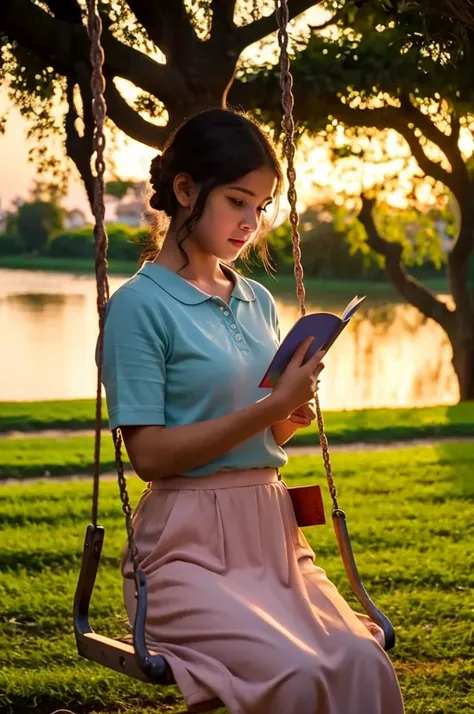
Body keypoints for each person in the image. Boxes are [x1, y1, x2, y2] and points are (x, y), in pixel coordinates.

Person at [100, 108, 404, 714]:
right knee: (295, 675)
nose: (252, 222)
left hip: (272, 535)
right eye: (238, 201)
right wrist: (271, 406)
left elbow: (262, 431)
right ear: (186, 190)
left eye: (261, 206)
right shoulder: (140, 306)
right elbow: (150, 456)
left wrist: (290, 411)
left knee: (362, 661)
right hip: (186, 551)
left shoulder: (256, 298)